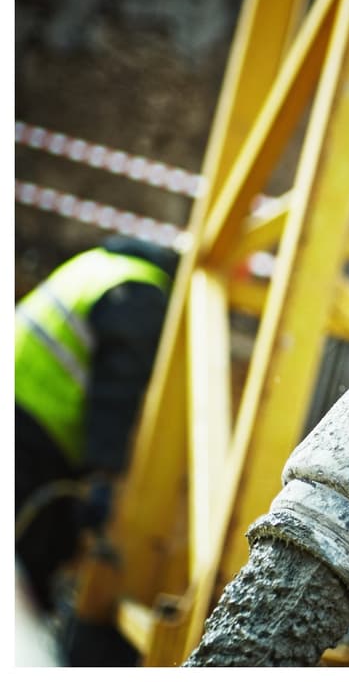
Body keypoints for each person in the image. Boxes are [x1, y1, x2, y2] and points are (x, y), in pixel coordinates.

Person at [14, 234, 178, 616]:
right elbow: (115, 396)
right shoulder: (141, 293)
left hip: (24, 411)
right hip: (33, 425)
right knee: (31, 552)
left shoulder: (99, 264)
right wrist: (102, 478)